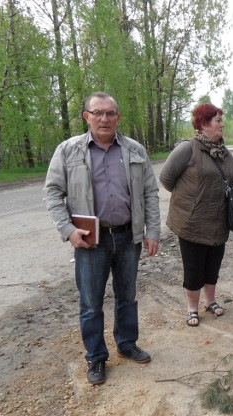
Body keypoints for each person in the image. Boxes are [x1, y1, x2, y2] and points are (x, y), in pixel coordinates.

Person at [44, 92, 161, 385]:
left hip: (127, 237)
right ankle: (96, 357)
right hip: (90, 242)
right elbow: (53, 193)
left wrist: (153, 231)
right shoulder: (69, 150)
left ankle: (126, 343)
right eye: (98, 113)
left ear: (118, 117)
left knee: (127, 297)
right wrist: (68, 230)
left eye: (110, 113)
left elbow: (150, 193)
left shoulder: (135, 150)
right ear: (87, 116)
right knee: (91, 303)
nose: (104, 118)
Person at [159, 103, 233, 326]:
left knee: (213, 265)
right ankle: (192, 308)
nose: (222, 124)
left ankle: (210, 301)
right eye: (218, 120)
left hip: (219, 219)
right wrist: (191, 202)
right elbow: (166, 180)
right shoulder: (188, 149)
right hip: (192, 222)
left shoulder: (222, 151)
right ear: (203, 124)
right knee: (193, 267)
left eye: (222, 120)